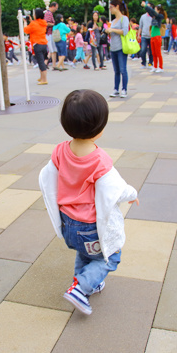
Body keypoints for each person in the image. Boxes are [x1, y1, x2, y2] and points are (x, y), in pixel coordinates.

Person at [38, 89, 139, 315]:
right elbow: (115, 188)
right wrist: (132, 194)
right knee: (111, 257)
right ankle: (81, 288)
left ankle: (85, 283)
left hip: (69, 224)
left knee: (85, 254)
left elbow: (49, 176)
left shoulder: (60, 151)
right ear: (99, 129)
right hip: (90, 227)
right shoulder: (99, 160)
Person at [106, 0, 130, 98]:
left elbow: (124, 31)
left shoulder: (124, 18)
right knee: (116, 71)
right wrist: (108, 31)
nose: (110, 9)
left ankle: (124, 89)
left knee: (123, 69)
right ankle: (116, 89)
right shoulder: (113, 21)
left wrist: (112, 29)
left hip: (121, 48)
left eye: (111, 7)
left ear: (117, 7)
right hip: (113, 47)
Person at [24, 8, 48, 85]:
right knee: (42, 61)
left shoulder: (34, 24)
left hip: (37, 44)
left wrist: (25, 22)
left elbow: (26, 30)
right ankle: (42, 77)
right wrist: (31, 20)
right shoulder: (43, 23)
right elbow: (35, 26)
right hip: (44, 44)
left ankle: (44, 79)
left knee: (41, 62)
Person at [141, 1, 165, 73]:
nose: (154, 10)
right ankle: (155, 66)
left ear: (158, 10)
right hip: (152, 37)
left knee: (158, 53)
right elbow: (150, 12)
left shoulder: (160, 16)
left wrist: (145, 6)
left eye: (155, 9)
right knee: (153, 53)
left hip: (157, 37)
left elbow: (153, 12)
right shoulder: (154, 16)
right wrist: (146, 7)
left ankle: (160, 67)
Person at [44, 2, 59, 68]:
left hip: (50, 34)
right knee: (52, 50)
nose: (56, 9)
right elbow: (46, 23)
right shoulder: (48, 13)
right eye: (56, 8)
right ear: (52, 6)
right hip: (49, 34)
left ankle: (48, 64)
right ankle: (53, 65)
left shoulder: (49, 13)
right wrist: (54, 24)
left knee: (52, 50)